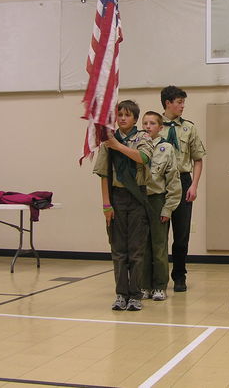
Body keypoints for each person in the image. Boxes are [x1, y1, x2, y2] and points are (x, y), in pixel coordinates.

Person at [93, 100, 154, 311]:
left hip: (137, 197)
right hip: (116, 197)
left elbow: (144, 157)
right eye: (119, 115)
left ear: (135, 119)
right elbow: (103, 173)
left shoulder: (142, 137)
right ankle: (121, 294)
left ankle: (135, 294)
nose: (122, 118)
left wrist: (118, 146)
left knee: (136, 250)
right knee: (118, 250)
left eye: (127, 115)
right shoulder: (107, 141)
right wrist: (106, 205)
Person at [159, 85, 207, 292]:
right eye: (179, 102)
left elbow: (198, 159)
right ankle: (157, 277)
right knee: (159, 235)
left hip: (183, 180)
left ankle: (180, 275)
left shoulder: (189, 128)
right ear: (168, 103)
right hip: (159, 183)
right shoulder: (154, 125)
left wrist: (194, 185)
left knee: (181, 235)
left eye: (183, 102)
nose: (182, 106)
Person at [140, 111, 182, 301]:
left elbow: (173, 179)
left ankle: (159, 285)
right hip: (139, 200)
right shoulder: (137, 145)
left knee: (158, 245)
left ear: (160, 127)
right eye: (145, 123)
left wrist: (168, 207)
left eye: (152, 123)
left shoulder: (166, 148)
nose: (148, 127)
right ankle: (144, 285)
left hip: (157, 199)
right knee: (141, 245)